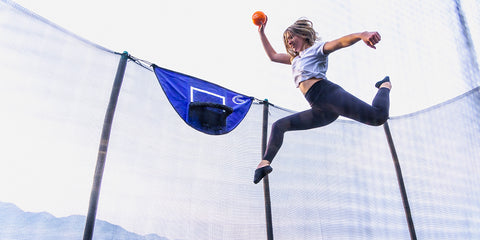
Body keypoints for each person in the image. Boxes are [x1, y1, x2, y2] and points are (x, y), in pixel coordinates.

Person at [253, 18, 392, 184]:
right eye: (286, 40)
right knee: (279, 126)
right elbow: (273, 56)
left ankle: (385, 85)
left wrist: (362, 35)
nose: (289, 42)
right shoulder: (294, 60)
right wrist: (261, 33)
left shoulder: (317, 49)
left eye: (292, 37)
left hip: (328, 94)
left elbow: (341, 42)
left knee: (378, 117)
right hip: (319, 108)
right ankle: (264, 163)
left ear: (303, 35)